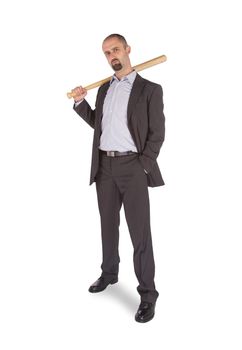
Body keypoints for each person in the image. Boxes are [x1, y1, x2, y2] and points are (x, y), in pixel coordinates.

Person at [71, 34, 165, 323]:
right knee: (108, 226)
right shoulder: (104, 89)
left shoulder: (149, 89)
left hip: (133, 167)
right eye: (106, 52)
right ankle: (109, 274)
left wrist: (143, 164)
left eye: (115, 49)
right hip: (105, 167)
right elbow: (99, 122)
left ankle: (148, 294)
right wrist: (80, 103)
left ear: (127, 50)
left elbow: (157, 133)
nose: (111, 55)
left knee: (140, 233)